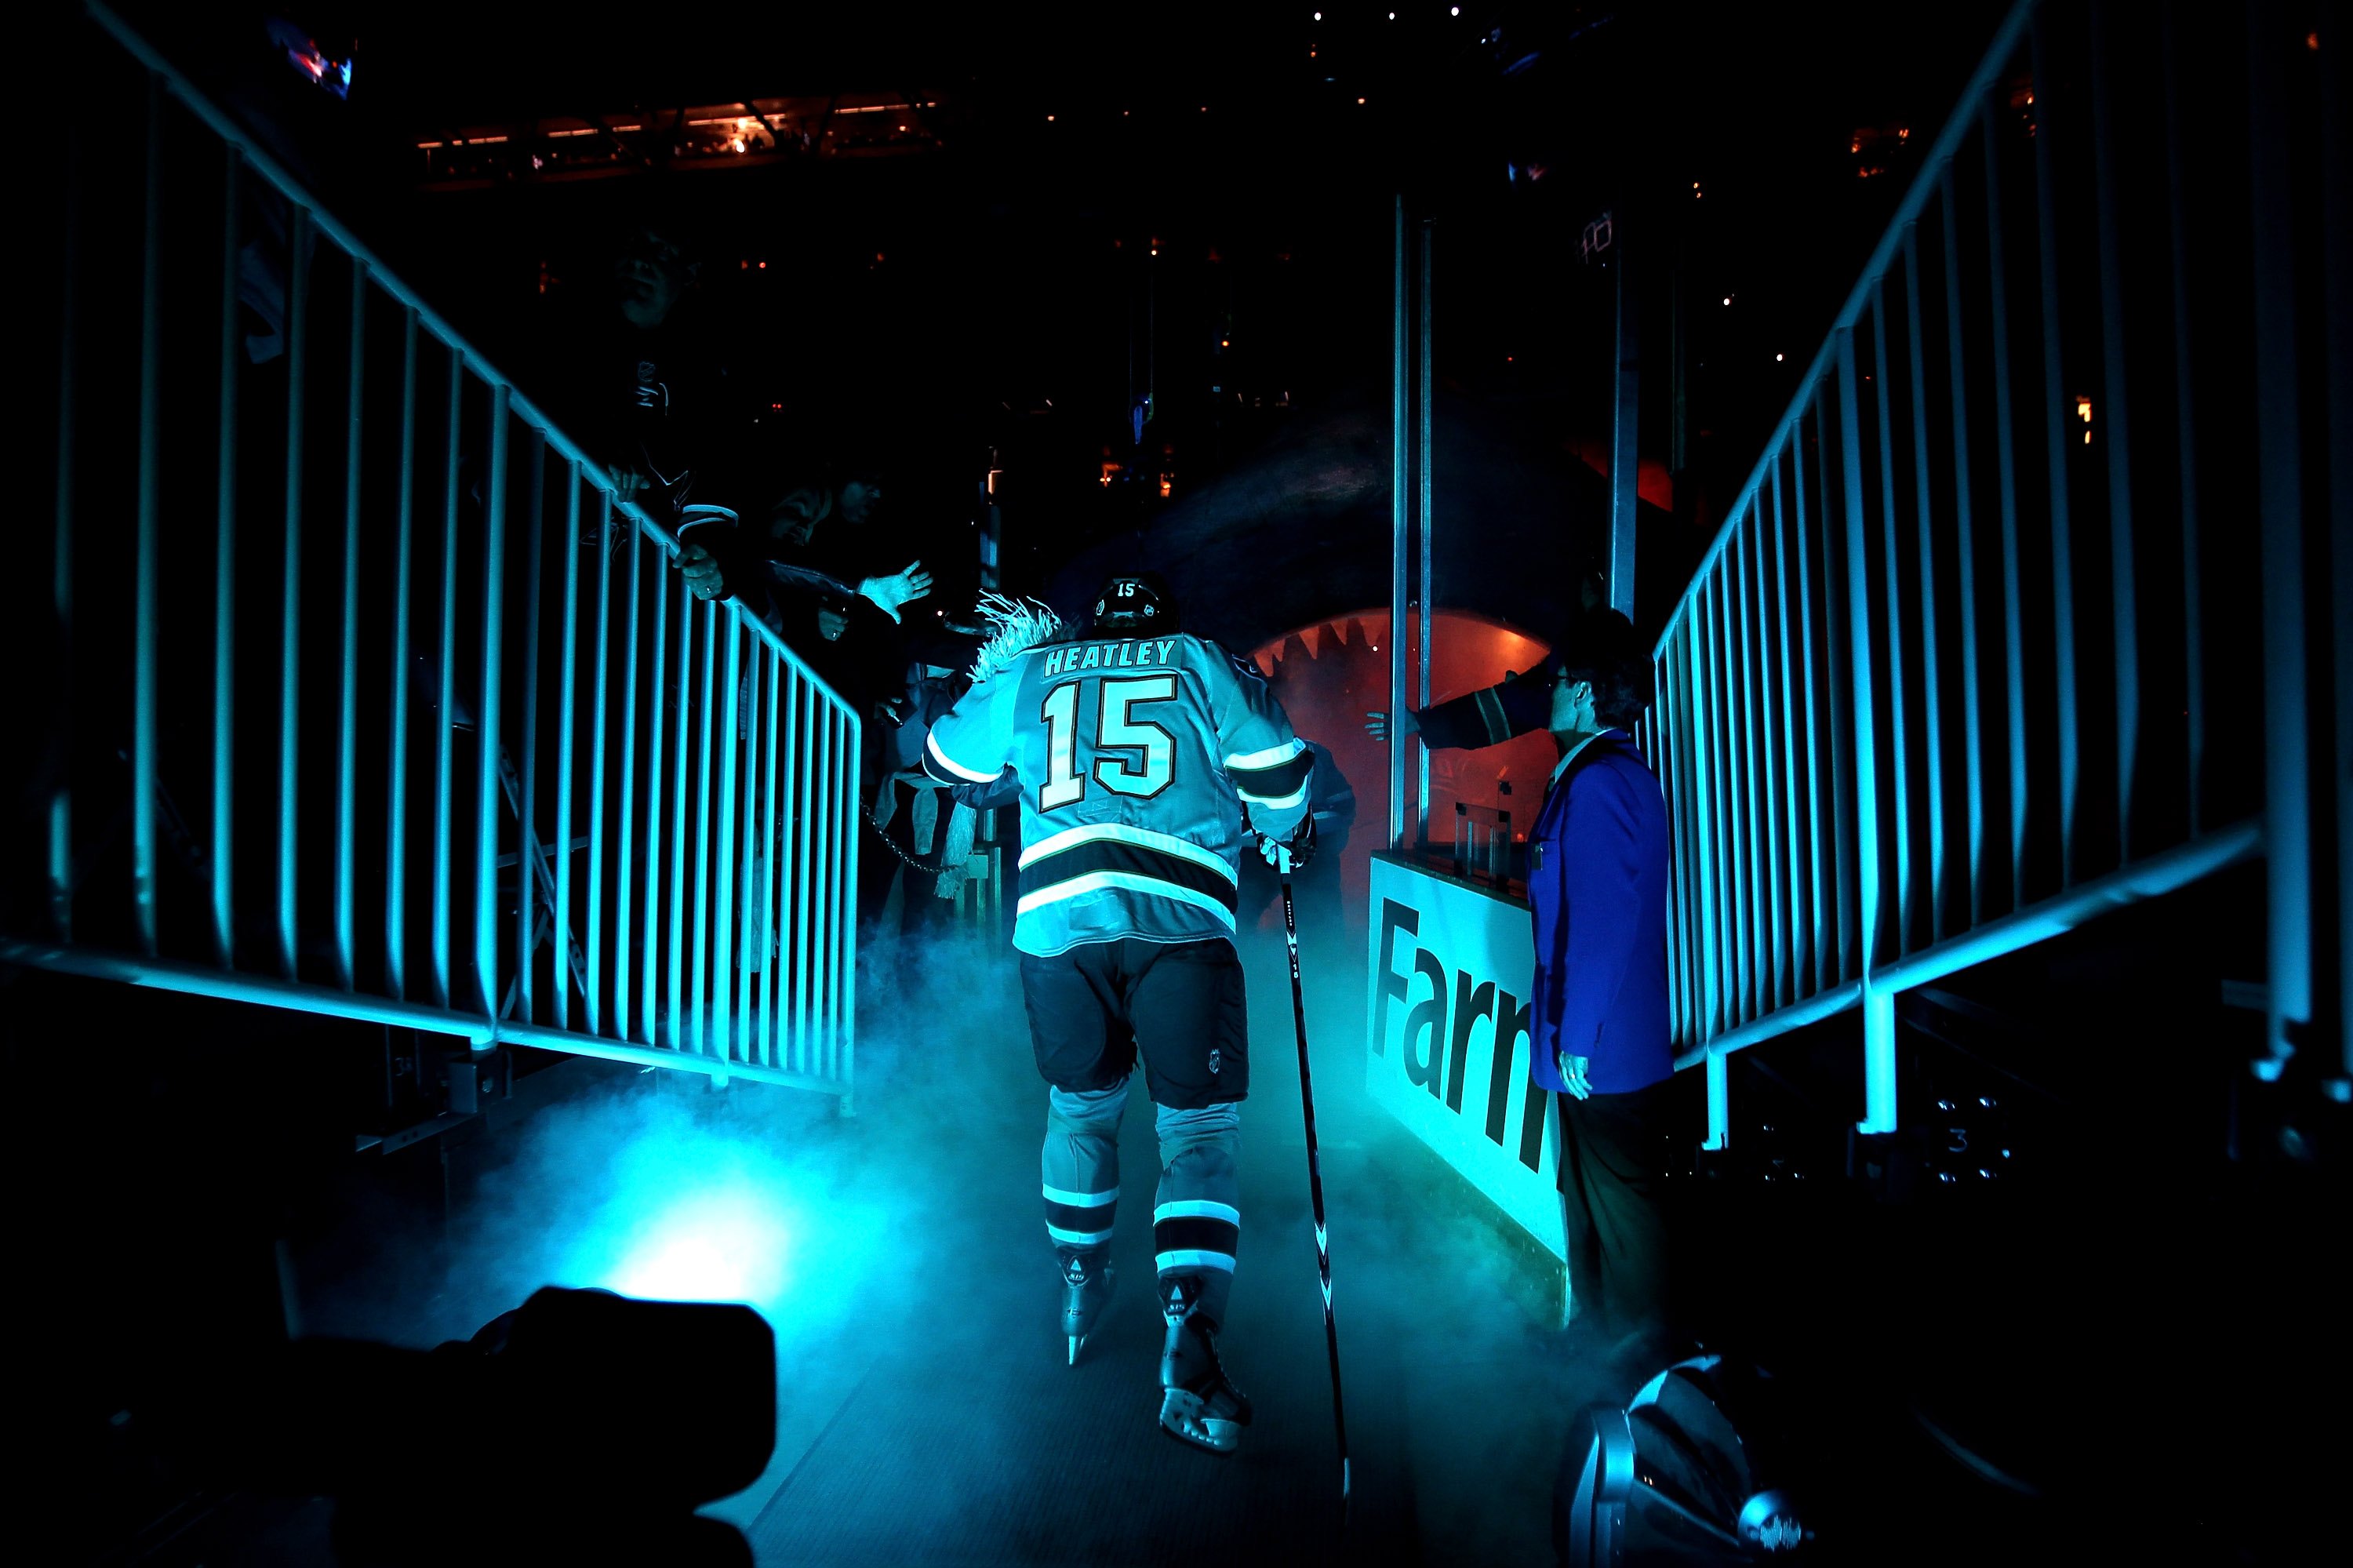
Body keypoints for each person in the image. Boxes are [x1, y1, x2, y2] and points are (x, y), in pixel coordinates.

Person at [916, 573, 1315, 1455]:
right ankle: (1189, 1337)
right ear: (1166, 621)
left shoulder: (1038, 670)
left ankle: (1079, 1279)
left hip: (1060, 929)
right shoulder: (1203, 662)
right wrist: (1287, 833)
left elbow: (946, 759)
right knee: (1199, 1133)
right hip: (1179, 927)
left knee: (1079, 1110)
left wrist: (992, 676)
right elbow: (1283, 779)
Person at [1525, 609, 1675, 1375]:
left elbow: (1606, 924)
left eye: (1557, 681)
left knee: (1621, 1211)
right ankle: (1597, 1352)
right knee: (1585, 1202)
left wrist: (1578, 1033)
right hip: (1585, 1048)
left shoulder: (1605, 782)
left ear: (1583, 695)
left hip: (1603, 1052)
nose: (1548, 692)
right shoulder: (1593, 777)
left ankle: (1647, 1370)